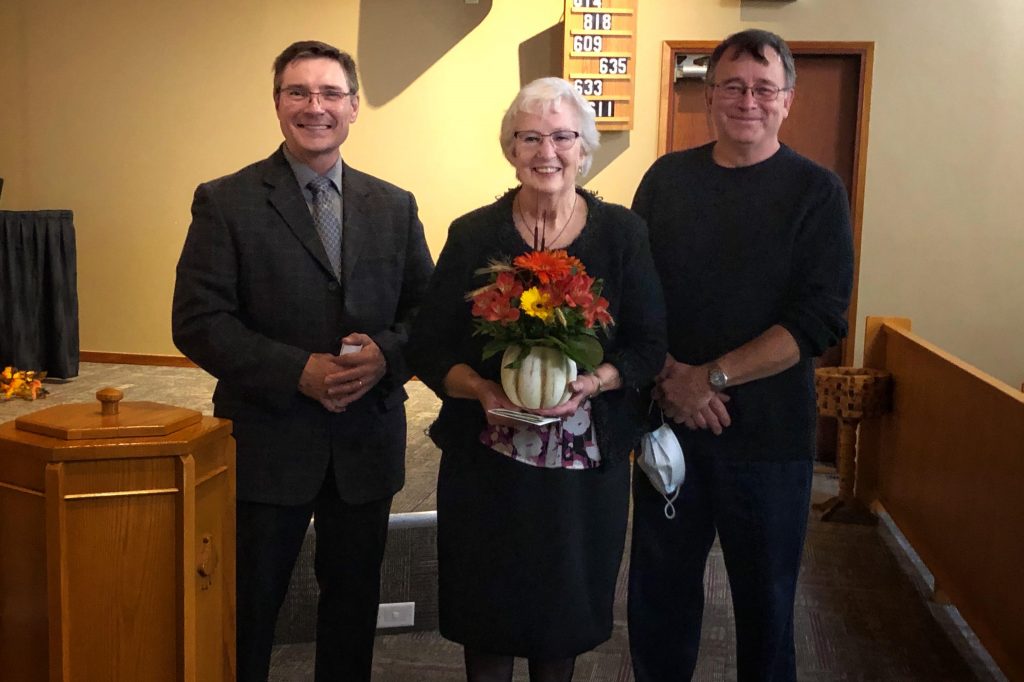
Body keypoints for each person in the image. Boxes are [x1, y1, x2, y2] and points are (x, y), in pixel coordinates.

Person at [171, 40, 433, 682]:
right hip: (269, 441)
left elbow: (427, 315)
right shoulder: (225, 201)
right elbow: (198, 322)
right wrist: (297, 371)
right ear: (278, 103)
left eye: (330, 93)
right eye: (299, 92)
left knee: (352, 608)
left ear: (354, 106)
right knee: (249, 608)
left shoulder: (394, 205)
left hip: (365, 443)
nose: (315, 106)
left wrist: (386, 356)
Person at [407, 77, 666, 682]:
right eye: (529, 138)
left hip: (582, 467)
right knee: (486, 611)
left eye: (562, 137)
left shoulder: (623, 234)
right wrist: (480, 390)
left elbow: (649, 345)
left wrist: (596, 382)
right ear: (510, 149)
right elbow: (428, 345)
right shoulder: (474, 233)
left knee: (561, 616)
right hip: (486, 465)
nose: (546, 151)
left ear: (583, 148)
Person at [628, 29, 855, 681]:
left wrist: (710, 378)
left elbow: (818, 319)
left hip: (771, 443)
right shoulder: (666, 180)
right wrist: (671, 379)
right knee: (659, 602)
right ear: (709, 96)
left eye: (763, 89)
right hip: (670, 428)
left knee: (767, 608)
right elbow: (634, 293)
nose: (747, 101)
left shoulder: (817, 192)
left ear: (787, 100)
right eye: (732, 86)